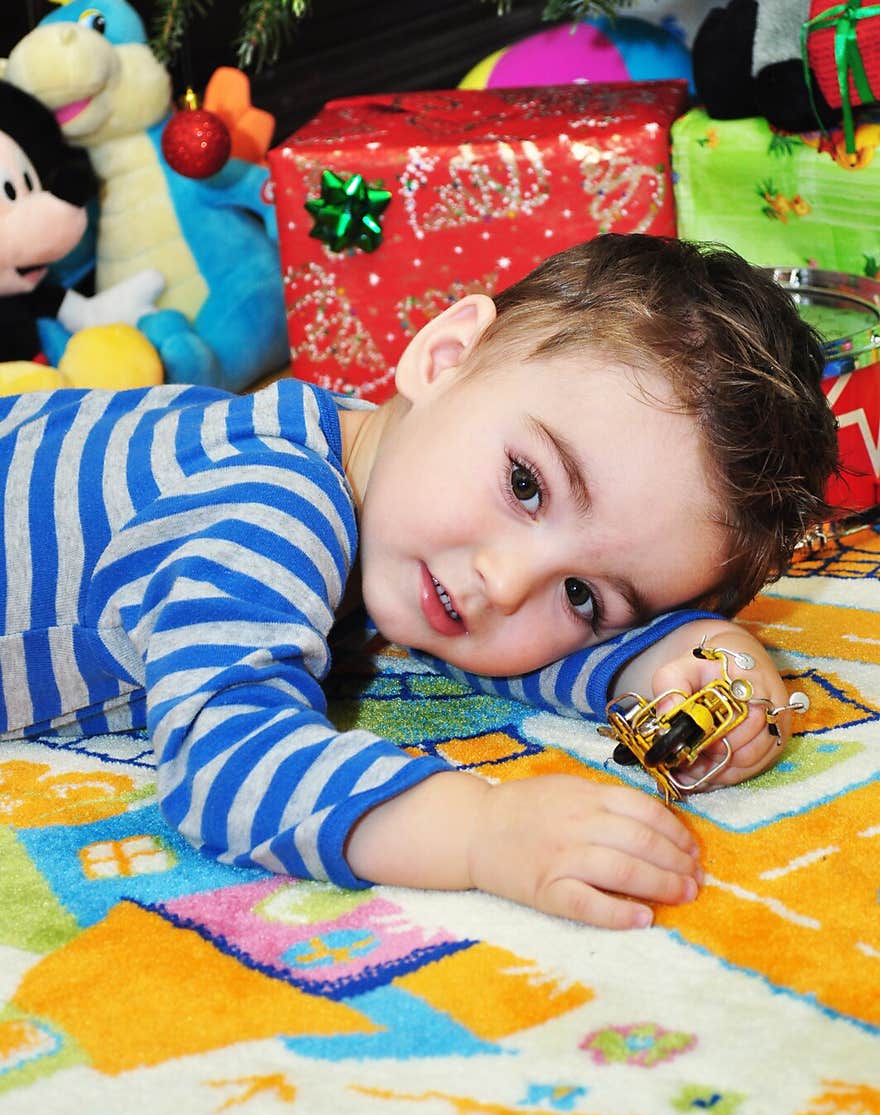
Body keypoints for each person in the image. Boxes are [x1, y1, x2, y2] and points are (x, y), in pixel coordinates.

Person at [0, 233, 839, 930]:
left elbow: (493, 648)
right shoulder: (278, 502)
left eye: (582, 596)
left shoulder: (389, 490)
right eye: (526, 485)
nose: (504, 583)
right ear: (442, 357)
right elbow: (224, 759)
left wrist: (691, 656)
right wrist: (481, 830)